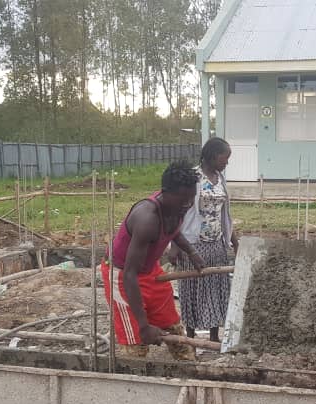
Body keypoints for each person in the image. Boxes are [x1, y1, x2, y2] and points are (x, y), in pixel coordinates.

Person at [102, 161, 205, 360]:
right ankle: (136, 381)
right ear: (165, 192)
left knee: (172, 323)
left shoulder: (178, 209)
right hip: (122, 275)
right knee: (135, 340)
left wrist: (192, 252)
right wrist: (144, 325)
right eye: (183, 198)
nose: (188, 204)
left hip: (150, 270)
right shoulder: (147, 219)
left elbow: (174, 231)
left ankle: (188, 367)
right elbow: (129, 274)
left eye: (191, 198)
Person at [171, 137, 238, 343]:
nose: (226, 162)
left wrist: (234, 241)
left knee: (216, 288)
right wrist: (174, 244)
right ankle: (190, 337)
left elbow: (224, 213)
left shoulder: (220, 178)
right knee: (192, 289)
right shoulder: (193, 177)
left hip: (216, 243)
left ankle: (213, 337)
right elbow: (178, 211)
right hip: (192, 243)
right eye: (224, 158)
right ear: (211, 156)